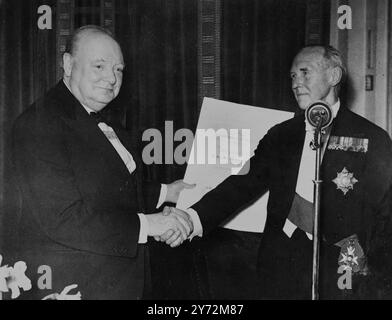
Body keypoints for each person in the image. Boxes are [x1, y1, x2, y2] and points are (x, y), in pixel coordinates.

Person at [166, 45, 392, 299]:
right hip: (279, 263)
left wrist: (376, 278)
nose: (297, 82)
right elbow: (241, 185)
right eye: (293, 76)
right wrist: (192, 219)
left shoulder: (371, 139)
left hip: (342, 268)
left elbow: (386, 218)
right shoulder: (281, 135)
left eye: (305, 72)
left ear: (334, 76)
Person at [11, 25, 194, 300]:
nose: (111, 78)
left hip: (123, 284)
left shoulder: (109, 124)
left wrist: (169, 192)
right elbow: (62, 219)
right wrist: (150, 225)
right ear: (68, 64)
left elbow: (112, 191)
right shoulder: (39, 123)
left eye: (119, 70)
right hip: (76, 286)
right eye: (99, 66)